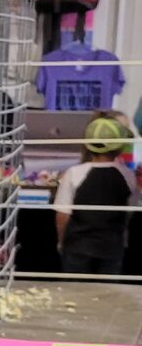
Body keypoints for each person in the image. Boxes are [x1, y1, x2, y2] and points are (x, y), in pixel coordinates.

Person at [53, 114, 136, 278]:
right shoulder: (127, 175)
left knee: (75, 294)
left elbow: (62, 215)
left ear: (87, 144)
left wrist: (61, 241)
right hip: (111, 247)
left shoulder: (74, 173)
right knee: (107, 295)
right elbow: (130, 211)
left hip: (77, 247)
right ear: (120, 146)